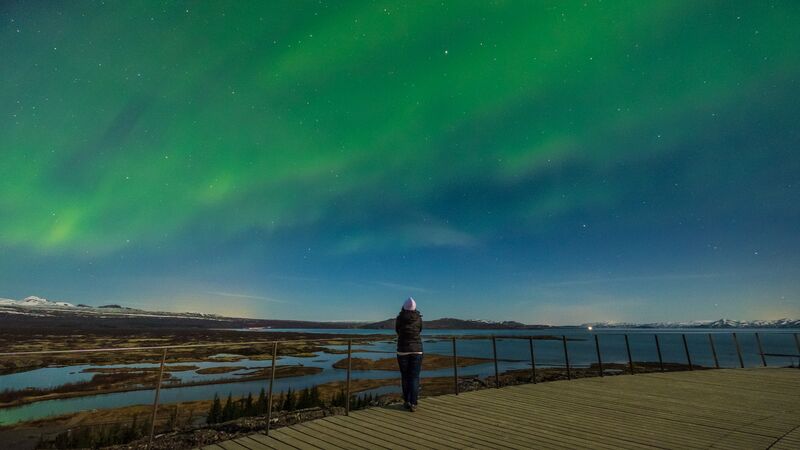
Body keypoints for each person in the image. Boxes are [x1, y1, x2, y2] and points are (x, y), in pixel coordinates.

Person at [395, 296, 423, 411]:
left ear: (404, 307)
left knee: (405, 377)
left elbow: (397, 331)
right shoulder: (419, 319)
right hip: (417, 350)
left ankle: (406, 401)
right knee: (414, 377)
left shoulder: (399, 318)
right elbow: (420, 330)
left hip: (402, 350)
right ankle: (414, 403)